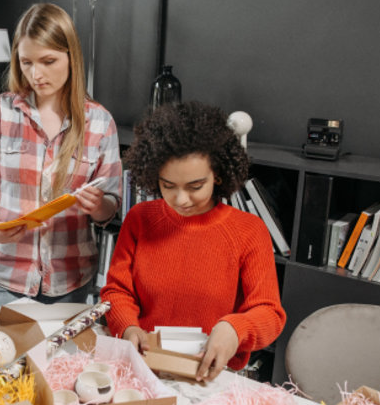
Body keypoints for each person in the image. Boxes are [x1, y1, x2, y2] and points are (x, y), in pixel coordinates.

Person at [100, 101, 286, 382]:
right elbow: (117, 291)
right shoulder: (140, 219)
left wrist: (235, 329)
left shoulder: (249, 230)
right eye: (168, 186)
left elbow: (269, 313)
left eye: (195, 187)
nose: (181, 200)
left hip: (211, 376)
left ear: (218, 175)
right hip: (144, 369)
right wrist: (127, 327)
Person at [0, 3, 122, 311]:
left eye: (48, 61)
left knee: (62, 362)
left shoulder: (100, 122)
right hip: (4, 279)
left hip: (72, 283)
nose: (36, 74)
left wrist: (98, 205)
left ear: (70, 56)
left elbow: (110, 206)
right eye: (26, 63)